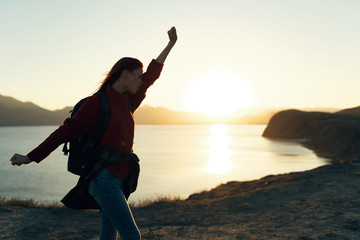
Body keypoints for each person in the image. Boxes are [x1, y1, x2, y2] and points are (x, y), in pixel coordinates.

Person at [10, 26, 177, 240]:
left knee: (108, 236)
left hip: (119, 181)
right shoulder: (96, 103)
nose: (141, 80)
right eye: (137, 76)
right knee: (132, 236)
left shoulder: (129, 101)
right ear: (125, 74)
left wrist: (170, 44)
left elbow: (153, 74)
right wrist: (30, 157)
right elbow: (64, 132)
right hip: (104, 181)